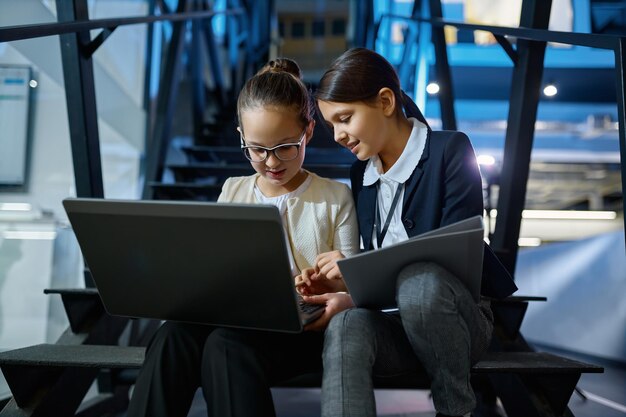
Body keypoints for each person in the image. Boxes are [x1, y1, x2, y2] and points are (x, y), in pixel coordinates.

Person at [127, 58, 359, 417]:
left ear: (309, 132)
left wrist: (333, 282)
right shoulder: (232, 189)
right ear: (241, 138)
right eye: (256, 149)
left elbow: (351, 286)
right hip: (241, 321)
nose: (271, 162)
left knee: (224, 345)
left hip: (305, 332)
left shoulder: (335, 197)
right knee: (173, 334)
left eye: (285, 147)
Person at [297, 48, 517, 417]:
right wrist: (346, 282)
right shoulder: (361, 174)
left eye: (345, 118)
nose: (337, 135)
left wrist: (359, 263)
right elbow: (381, 265)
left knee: (420, 283)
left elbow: (452, 261)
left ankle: (456, 410)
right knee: (348, 323)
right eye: (331, 124)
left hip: (458, 319)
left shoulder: (450, 150)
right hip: (393, 322)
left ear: (385, 101)